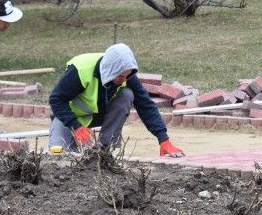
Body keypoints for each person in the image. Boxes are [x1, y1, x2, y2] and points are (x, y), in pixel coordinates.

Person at [48, 43, 184, 157]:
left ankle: (105, 150)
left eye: (127, 75)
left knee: (127, 94)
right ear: (110, 71)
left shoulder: (127, 76)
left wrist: (163, 140)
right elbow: (56, 99)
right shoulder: (81, 70)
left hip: (98, 115)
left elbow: (146, 105)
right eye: (120, 76)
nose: (124, 80)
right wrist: (76, 126)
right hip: (69, 117)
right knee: (59, 157)